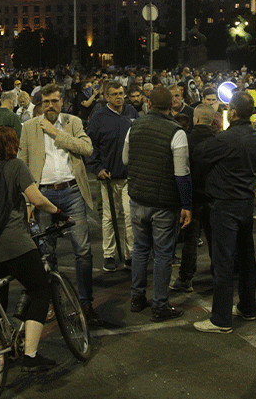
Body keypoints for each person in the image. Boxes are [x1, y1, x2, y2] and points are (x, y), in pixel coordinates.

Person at [0, 126, 68, 372]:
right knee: (39, 290)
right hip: (14, 243)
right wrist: (58, 212)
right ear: (15, 144)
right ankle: (31, 354)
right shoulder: (16, 167)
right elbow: (37, 199)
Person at [18, 84, 104, 326]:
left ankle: (85, 303)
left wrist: (57, 135)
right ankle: (52, 304)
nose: (50, 106)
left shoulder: (72, 122)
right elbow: (22, 164)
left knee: (83, 252)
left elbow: (87, 148)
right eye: (46, 102)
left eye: (54, 101)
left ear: (62, 102)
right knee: (47, 255)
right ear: (40, 103)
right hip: (43, 196)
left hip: (71, 192)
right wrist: (27, 201)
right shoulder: (29, 128)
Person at [191, 91, 256, 333]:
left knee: (223, 262)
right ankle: (247, 306)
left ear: (232, 113)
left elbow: (200, 154)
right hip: (245, 201)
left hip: (225, 203)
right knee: (246, 258)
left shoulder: (227, 138)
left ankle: (221, 319)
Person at [122, 85, 191, 321]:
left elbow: (125, 159)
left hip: (138, 198)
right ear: (171, 105)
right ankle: (160, 304)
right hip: (163, 203)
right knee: (163, 254)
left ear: (149, 104)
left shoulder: (135, 126)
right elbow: (182, 174)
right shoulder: (177, 132)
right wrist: (187, 204)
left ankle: (137, 297)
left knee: (140, 249)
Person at [87, 80, 137, 272]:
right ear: (107, 96)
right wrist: (97, 167)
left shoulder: (131, 113)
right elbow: (90, 145)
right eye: (115, 94)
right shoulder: (99, 117)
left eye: (121, 93)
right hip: (107, 176)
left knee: (130, 216)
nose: (119, 97)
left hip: (128, 176)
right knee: (109, 217)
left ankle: (131, 253)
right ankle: (109, 254)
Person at [172, 102, 217, 293]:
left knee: (190, 240)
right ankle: (219, 274)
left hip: (192, 197)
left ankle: (185, 278)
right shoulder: (219, 141)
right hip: (214, 196)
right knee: (215, 239)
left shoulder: (187, 141)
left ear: (195, 119)